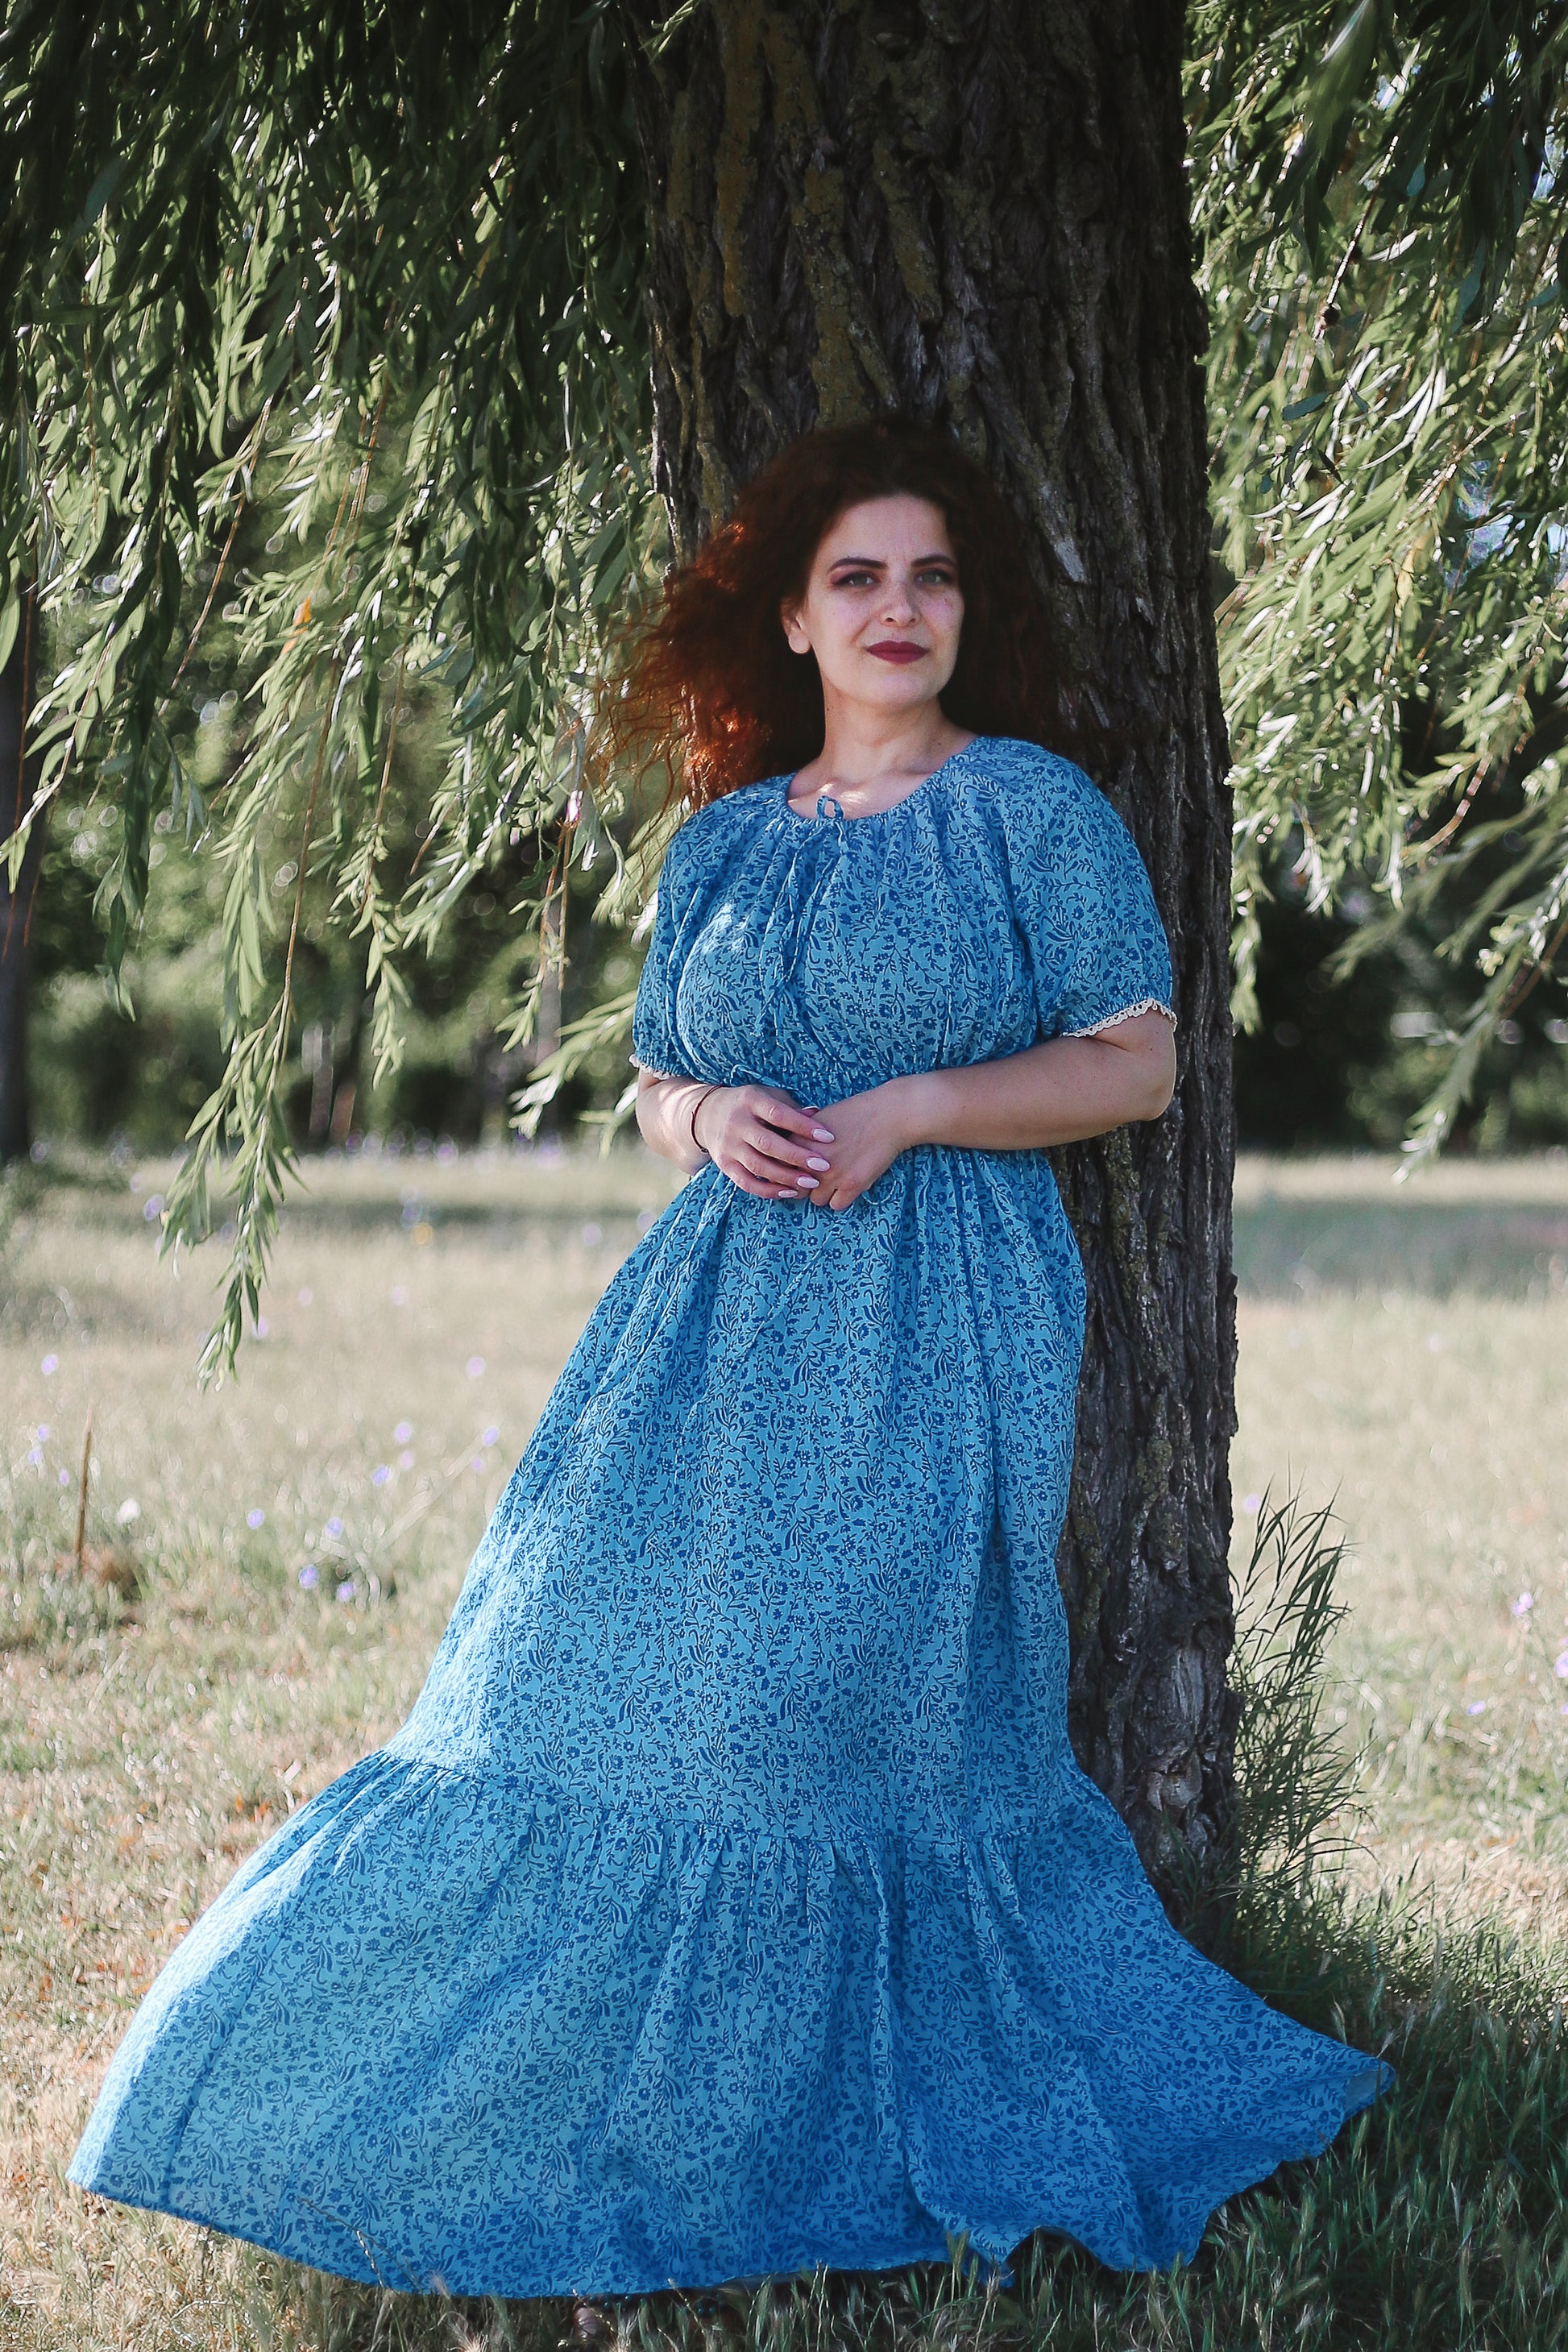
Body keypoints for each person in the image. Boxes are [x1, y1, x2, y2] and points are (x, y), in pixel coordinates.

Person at [68, 420, 1388, 2296]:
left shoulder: (1029, 809)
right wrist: (704, 1122)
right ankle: (458, 2107)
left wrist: (914, 1104)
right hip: (696, 1332)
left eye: (929, 574)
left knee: (819, 1727)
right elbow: (649, 1084)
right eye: (856, 575)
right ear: (787, 614)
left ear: (965, 606)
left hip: (931, 1319)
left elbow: (1138, 1056)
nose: (897, 607)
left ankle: (799, 2125)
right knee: (545, 1697)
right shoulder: (721, 845)